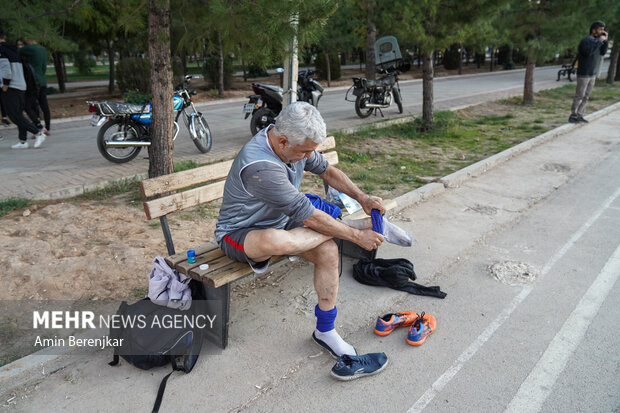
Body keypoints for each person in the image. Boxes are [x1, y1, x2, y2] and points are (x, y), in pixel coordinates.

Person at [215, 101, 411, 358]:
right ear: (283, 141)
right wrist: (355, 235)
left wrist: (362, 198)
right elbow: (306, 215)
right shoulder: (260, 166)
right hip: (240, 233)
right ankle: (352, 225)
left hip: (285, 221)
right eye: (305, 152)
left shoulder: (294, 145)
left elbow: (328, 172)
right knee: (277, 242)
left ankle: (325, 331)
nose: (309, 157)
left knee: (329, 251)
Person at [0, 27, 46, 149]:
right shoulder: (14, 49)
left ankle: (38, 132)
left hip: (11, 86)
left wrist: (5, 84)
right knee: (18, 113)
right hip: (21, 85)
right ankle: (23, 141)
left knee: (14, 115)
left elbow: (5, 69)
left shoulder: (1, 50)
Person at [569, 21, 609, 123]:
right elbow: (588, 53)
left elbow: (603, 52)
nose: (602, 31)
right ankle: (573, 116)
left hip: (592, 73)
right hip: (584, 73)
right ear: (593, 30)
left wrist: (606, 41)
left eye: (603, 29)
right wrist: (599, 41)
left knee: (586, 96)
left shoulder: (597, 41)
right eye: (600, 29)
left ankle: (580, 115)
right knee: (579, 95)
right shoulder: (586, 41)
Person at [18, 37, 50, 134]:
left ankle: (38, 126)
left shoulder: (28, 49)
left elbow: (17, 52)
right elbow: (44, 67)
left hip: (32, 82)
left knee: (29, 105)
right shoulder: (42, 49)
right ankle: (47, 127)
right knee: (44, 106)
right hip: (42, 81)